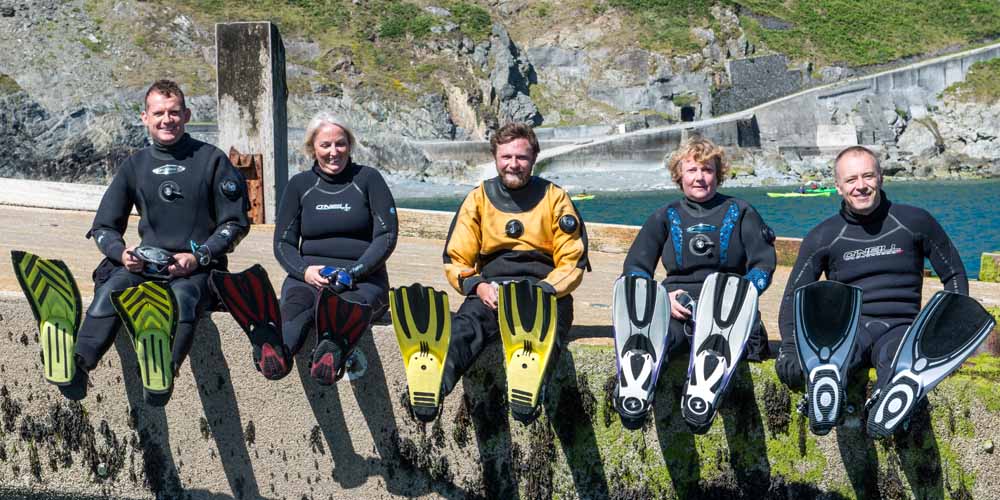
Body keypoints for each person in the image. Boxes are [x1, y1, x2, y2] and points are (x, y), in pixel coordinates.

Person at [79, 79, 250, 405]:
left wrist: (198, 256)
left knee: (183, 300)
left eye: (174, 112)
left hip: (197, 269)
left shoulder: (212, 160)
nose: (166, 119)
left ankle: (162, 374)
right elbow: (103, 227)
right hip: (146, 264)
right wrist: (122, 252)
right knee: (110, 291)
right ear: (145, 117)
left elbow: (236, 224)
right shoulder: (135, 165)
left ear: (186, 115)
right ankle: (78, 364)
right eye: (159, 113)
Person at [775, 146, 967, 405]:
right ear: (838, 187)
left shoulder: (915, 221)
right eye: (851, 179)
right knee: (833, 358)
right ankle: (825, 393)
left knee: (896, 359)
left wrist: (945, 334)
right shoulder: (823, 236)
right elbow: (793, 298)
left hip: (901, 327)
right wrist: (790, 348)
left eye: (868, 176)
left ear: (881, 178)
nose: (861, 186)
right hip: (848, 330)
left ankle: (888, 402)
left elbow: (954, 275)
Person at [438, 122, 589, 422]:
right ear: (495, 157)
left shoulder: (555, 198)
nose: (513, 164)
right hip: (492, 291)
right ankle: (435, 382)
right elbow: (456, 258)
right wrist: (477, 286)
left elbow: (573, 261)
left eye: (521, 157)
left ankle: (528, 392)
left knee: (544, 336)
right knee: (465, 327)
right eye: (506, 157)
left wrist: (543, 292)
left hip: (545, 294)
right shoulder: (478, 198)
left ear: (534, 158)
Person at [620, 137, 776, 413]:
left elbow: (763, 266)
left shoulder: (741, 212)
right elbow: (635, 268)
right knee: (659, 338)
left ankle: (701, 402)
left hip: (727, 310)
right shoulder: (665, 216)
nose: (700, 178)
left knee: (722, 342)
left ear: (718, 175)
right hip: (679, 306)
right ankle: (637, 388)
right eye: (692, 170)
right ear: (679, 175)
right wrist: (662, 298)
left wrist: (737, 298)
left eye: (707, 170)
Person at [268, 113, 398, 382]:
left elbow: (386, 235)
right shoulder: (299, 186)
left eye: (340, 144)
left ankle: (329, 355)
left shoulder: (368, 179)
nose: (333, 152)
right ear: (312, 148)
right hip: (311, 277)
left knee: (345, 308)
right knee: (296, 306)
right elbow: (283, 243)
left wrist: (354, 272)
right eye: (325, 145)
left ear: (349, 145)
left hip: (363, 281)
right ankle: (278, 353)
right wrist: (305, 272)